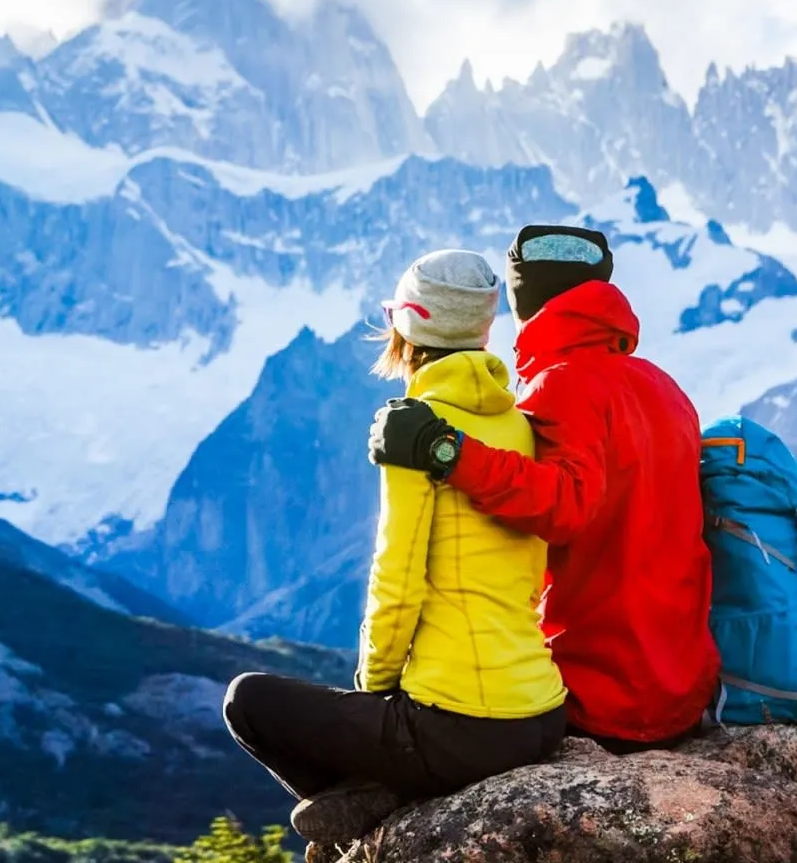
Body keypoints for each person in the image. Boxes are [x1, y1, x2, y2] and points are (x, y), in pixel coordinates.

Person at [223, 249, 569, 845]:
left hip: (461, 725)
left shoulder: (415, 427)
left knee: (247, 700)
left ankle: (373, 799)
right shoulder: (520, 425)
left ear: (407, 325)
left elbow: (397, 576)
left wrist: (374, 685)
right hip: (541, 711)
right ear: (485, 328)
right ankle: (371, 790)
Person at [368, 226, 718, 754]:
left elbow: (565, 507)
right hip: (682, 691)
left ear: (522, 300)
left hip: (603, 693)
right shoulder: (664, 387)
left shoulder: (561, 383)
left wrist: (446, 451)